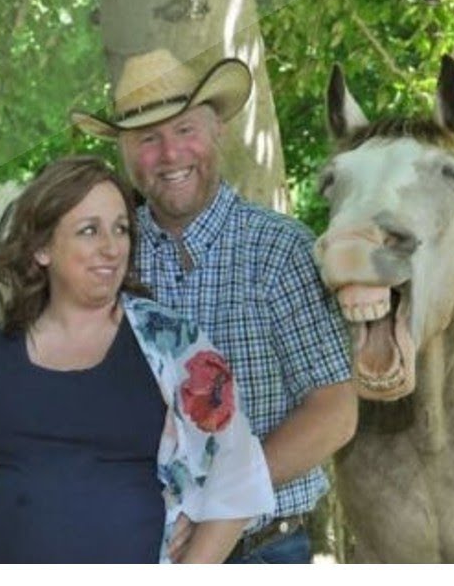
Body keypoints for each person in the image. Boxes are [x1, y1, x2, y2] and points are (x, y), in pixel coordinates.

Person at [0, 156, 275, 563]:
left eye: (121, 229)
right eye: (89, 230)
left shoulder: (174, 347)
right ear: (42, 247)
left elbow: (237, 478)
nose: (112, 248)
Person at [70, 49, 357, 563]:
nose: (170, 154)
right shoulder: (109, 261)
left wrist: (215, 502)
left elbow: (334, 411)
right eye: (147, 139)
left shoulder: (280, 251)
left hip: (265, 551)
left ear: (217, 128)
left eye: (184, 130)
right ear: (125, 153)